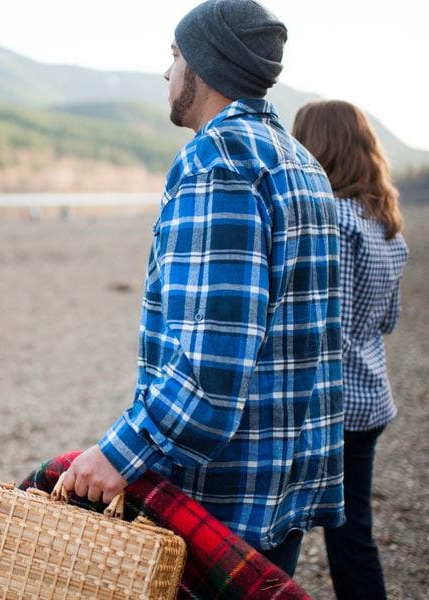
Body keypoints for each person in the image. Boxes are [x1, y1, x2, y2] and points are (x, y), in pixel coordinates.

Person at [60, 0, 345, 577]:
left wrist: (116, 454)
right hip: (286, 481)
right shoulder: (301, 161)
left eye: (174, 57)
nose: (167, 74)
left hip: (221, 498)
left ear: (205, 66)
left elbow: (210, 372)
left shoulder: (218, 161)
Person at [292, 100, 409, 599]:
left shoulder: (333, 222)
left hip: (327, 405)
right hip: (371, 399)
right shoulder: (385, 226)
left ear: (316, 148)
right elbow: (388, 319)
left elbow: (320, 326)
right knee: (352, 534)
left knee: (280, 529)